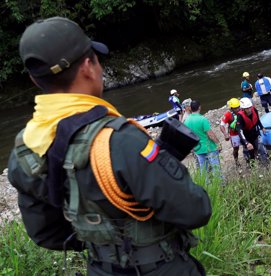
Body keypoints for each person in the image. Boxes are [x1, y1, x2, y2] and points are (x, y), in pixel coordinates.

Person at [8, 17, 211, 275]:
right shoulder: (120, 140)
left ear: (36, 81)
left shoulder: (24, 149)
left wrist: (104, 237)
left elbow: (46, 233)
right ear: (88, 68)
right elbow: (195, 210)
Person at [184, 100, 223, 176]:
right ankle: (221, 185)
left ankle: (206, 184)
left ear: (191, 108)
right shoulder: (202, 119)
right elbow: (210, 134)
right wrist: (218, 143)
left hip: (198, 148)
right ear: (199, 107)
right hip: (209, 147)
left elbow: (187, 136)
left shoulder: (187, 121)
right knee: (216, 168)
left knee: (203, 170)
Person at [236, 98, 267, 164]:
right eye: (247, 108)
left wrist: (262, 127)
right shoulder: (240, 116)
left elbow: (257, 119)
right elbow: (240, 131)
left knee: (261, 149)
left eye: (250, 107)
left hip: (255, 134)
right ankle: (251, 167)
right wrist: (246, 143)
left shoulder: (254, 110)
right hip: (246, 137)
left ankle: (265, 164)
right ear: (243, 109)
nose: (249, 110)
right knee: (249, 154)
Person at [220, 98, 242, 167]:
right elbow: (221, 125)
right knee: (236, 149)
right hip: (234, 134)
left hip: (243, 131)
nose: (238, 109)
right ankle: (236, 161)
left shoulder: (242, 110)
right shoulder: (228, 114)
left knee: (246, 145)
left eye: (238, 107)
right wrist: (225, 134)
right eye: (235, 108)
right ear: (231, 108)